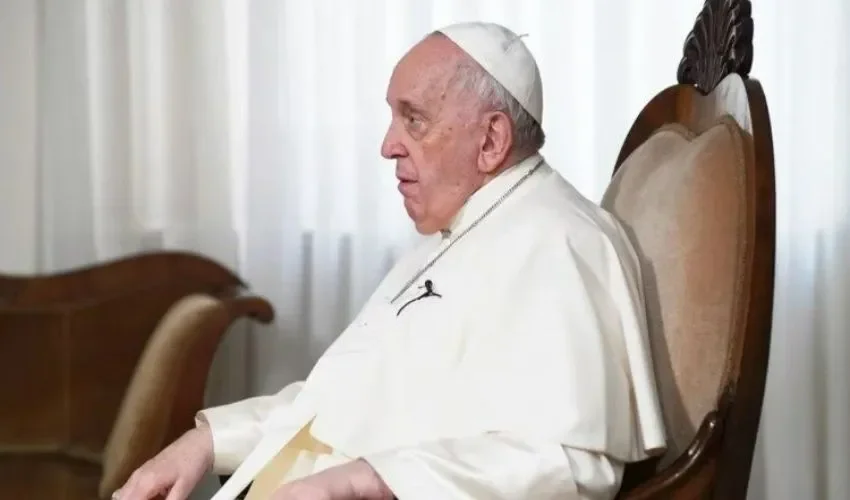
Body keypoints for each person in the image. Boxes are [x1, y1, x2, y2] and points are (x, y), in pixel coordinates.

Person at [114, 21, 666, 500]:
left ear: (492, 139)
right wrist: (208, 441)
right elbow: (340, 406)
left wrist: (369, 480)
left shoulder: (561, 242)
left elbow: (571, 468)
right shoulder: (459, 232)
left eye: (414, 119)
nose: (387, 145)